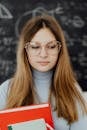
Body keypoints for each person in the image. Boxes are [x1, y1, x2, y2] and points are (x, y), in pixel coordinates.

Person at [0, 14, 87, 130]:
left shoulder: (73, 90)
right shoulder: (6, 90)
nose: (43, 54)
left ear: (59, 50)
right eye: (35, 47)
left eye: (51, 46)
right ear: (25, 51)